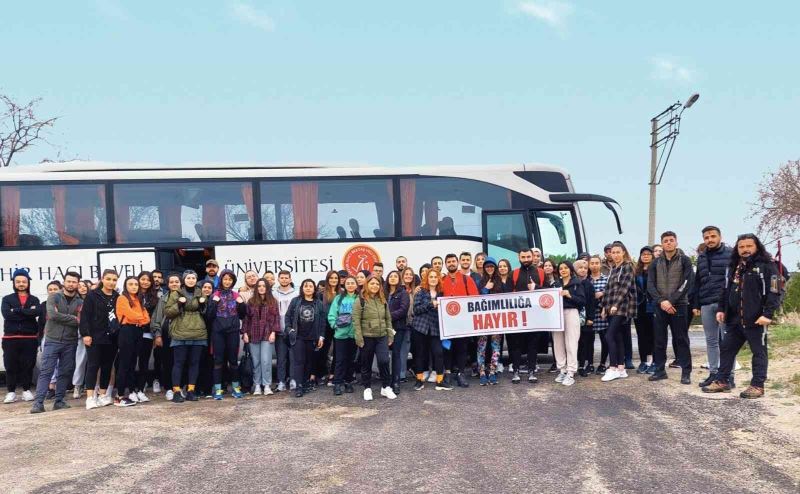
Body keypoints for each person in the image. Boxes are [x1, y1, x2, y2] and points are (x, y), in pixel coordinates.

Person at [702, 234, 780, 399]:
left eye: (748, 246)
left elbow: (774, 290)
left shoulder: (767, 266)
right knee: (726, 349)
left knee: (759, 352)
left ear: (756, 247)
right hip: (734, 319)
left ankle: (757, 385)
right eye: (741, 247)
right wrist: (721, 309)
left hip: (756, 320)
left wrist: (768, 314)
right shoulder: (733, 267)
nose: (745, 250)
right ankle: (722, 381)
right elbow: (725, 290)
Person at [31, 272, 84, 414]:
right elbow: (52, 315)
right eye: (69, 281)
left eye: (74, 282)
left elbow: (81, 320)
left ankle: (59, 401)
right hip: (52, 340)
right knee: (46, 372)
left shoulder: (80, 301)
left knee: (64, 373)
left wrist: (69, 318)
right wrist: (74, 318)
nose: (71, 284)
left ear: (77, 283)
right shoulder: (54, 297)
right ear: (64, 282)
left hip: (70, 341)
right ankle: (38, 403)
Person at [647, 231, 695, 384]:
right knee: (659, 340)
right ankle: (660, 370)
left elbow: (687, 283)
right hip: (660, 306)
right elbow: (650, 285)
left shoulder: (685, 260)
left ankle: (686, 372)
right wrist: (662, 301)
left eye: (671, 240)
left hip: (679, 306)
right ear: (662, 244)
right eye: (665, 241)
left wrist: (671, 301)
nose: (668, 243)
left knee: (681, 339)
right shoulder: (655, 263)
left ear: (676, 242)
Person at [691, 226, 735, 388]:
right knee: (711, 340)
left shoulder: (731, 254)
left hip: (725, 304)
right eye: (706, 237)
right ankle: (714, 373)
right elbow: (698, 282)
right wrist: (696, 304)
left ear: (720, 237)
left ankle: (729, 375)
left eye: (712, 236)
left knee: (728, 341)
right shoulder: (701, 257)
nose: (710, 240)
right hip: (706, 303)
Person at [164, 270, 208, 403]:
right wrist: (179, 304)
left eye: (193, 278)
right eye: (188, 278)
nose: (191, 280)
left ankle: (191, 391)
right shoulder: (175, 293)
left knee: (194, 363)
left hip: (198, 332)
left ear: (196, 279)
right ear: (184, 280)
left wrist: (202, 305)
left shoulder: (201, 293)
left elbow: (207, 312)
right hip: (180, 332)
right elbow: (168, 312)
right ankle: (176, 391)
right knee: (178, 363)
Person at [80, 269, 119, 409]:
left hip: (112, 337)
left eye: (114, 280)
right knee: (93, 365)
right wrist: (86, 334)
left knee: (107, 366)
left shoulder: (117, 297)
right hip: (95, 336)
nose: (111, 282)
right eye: (108, 279)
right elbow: (85, 316)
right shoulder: (92, 295)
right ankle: (90, 397)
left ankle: (103, 395)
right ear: (102, 279)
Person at [353, 276, 396, 401]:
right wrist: (359, 338)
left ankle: (386, 387)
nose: (375, 286)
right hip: (367, 337)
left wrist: (390, 334)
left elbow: (388, 318)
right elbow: (356, 320)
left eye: (377, 284)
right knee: (366, 363)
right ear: (367, 284)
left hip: (382, 336)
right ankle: (367, 388)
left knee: (384, 361)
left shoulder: (382, 299)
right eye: (372, 283)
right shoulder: (360, 300)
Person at [2, 268, 40, 404]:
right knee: (10, 365)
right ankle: (11, 392)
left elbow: (36, 313)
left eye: (24, 281)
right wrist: (26, 312)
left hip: (29, 338)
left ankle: (26, 390)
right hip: (10, 338)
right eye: (18, 282)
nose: (21, 284)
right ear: (14, 283)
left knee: (28, 365)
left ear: (28, 283)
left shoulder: (34, 299)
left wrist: (17, 311)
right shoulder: (7, 299)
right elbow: (7, 314)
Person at [441, 253, 479, 388]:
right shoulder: (442, 280)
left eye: (453, 261)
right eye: (448, 262)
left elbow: (475, 297)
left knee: (462, 348)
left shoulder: (466, 279)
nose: (451, 263)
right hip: (446, 323)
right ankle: (448, 373)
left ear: (457, 263)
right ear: (446, 264)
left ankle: (461, 374)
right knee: (447, 348)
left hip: (463, 322)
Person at [600, 242, 636, 382]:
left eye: (617, 252)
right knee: (618, 337)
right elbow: (608, 290)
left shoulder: (627, 267)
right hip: (610, 307)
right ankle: (621, 368)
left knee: (609, 335)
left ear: (623, 253)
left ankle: (613, 367)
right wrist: (604, 307)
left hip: (621, 307)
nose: (615, 255)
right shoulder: (613, 269)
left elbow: (624, 288)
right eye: (613, 252)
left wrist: (616, 304)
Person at [285, 279, 326, 398]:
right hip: (298, 337)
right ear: (302, 288)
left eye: (311, 286)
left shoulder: (318, 303)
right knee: (299, 361)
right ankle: (299, 386)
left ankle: (304, 382)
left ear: (314, 289)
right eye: (306, 286)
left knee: (309, 362)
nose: (308, 288)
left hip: (313, 337)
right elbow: (288, 317)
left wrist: (321, 337)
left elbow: (323, 322)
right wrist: (289, 330)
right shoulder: (296, 301)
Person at [114, 276, 151, 407]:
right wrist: (140, 318)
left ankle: (130, 392)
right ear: (125, 285)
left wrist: (139, 319)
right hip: (126, 331)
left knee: (132, 363)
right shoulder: (122, 298)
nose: (134, 286)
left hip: (138, 331)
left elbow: (147, 319)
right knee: (124, 363)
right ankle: (119, 396)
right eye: (131, 284)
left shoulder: (139, 299)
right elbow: (131, 315)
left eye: (136, 284)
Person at [511, 249, 546, 381]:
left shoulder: (541, 272)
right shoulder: (513, 273)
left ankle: (532, 371)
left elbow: (548, 292)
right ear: (518, 257)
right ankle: (516, 370)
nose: (526, 259)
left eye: (528, 257)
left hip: (535, 316)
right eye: (523, 257)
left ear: (533, 257)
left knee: (533, 344)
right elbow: (507, 294)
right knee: (516, 345)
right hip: (517, 316)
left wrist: (536, 288)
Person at [412, 269, 449, 391]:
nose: (433, 279)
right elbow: (416, 310)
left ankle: (440, 381)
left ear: (439, 279)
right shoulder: (420, 292)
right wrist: (431, 304)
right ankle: (419, 380)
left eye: (435, 277)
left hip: (435, 328)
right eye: (431, 276)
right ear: (427, 278)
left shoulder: (442, 293)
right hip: (420, 327)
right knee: (420, 354)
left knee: (438, 353)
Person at [241, 279, 280, 396]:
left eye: (264, 286)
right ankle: (257, 385)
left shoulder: (273, 301)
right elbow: (246, 319)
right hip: (253, 334)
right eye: (259, 286)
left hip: (267, 333)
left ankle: (267, 385)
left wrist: (274, 332)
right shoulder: (251, 302)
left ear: (267, 288)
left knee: (266, 360)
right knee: (256, 361)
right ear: (256, 288)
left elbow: (276, 318)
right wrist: (245, 333)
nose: (262, 288)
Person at [210, 269, 245, 400]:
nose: (227, 281)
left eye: (230, 279)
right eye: (225, 279)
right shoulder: (215, 294)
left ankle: (236, 387)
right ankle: (218, 389)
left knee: (233, 361)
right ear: (221, 280)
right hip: (218, 332)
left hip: (233, 331)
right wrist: (214, 302)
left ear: (233, 281)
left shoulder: (236, 295)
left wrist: (242, 304)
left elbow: (242, 315)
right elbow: (209, 315)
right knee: (218, 361)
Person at [553, 261, 586, 386]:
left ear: (570, 269)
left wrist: (569, 295)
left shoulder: (577, 283)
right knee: (558, 342)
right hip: (556, 314)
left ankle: (571, 371)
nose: (563, 270)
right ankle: (562, 369)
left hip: (571, 312)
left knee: (571, 342)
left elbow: (582, 302)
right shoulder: (556, 284)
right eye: (561, 268)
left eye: (565, 268)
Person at [329, 276, 359, 395]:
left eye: (353, 283)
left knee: (351, 360)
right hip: (340, 335)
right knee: (340, 360)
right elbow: (332, 314)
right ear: (344, 285)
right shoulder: (339, 298)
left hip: (354, 334)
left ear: (356, 285)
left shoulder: (360, 298)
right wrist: (334, 325)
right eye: (348, 283)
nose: (350, 285)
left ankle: (348, 382)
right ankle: (337, 383)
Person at [152, 273, 180, 400]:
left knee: (180, 362)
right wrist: (157, 335)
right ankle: (169, 388)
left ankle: (179, 388)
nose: (174, 284)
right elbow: (156, 319)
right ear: (168, 284)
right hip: (167, 334)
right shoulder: (163, 299)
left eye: (177, 281)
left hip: (183, 335)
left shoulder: (187, 297)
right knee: (168, 362)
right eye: (171, 282)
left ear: (181, 283)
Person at [476, 257, 503, 385]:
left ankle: (492, 372)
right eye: (487, 267)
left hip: (497, 320)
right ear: (484, 268)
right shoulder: (480, 281)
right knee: (481, 347)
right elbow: (475, 300)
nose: (490, 268)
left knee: (495, 347)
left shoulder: (500, 282)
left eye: (492, 266)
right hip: (482, 321)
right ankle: (482, 372)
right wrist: (486, 289)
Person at [134, 271, 158, 399]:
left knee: (144, 363)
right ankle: (132, 389)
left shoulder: (154, 298)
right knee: (131, 362)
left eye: (148, 280)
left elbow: (155, 318)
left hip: (147, 333)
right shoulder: (131, 295)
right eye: (143, 279)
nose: (145, 282)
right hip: (132, 332)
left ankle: (141, 389)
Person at [314, 270, 340, 388]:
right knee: (322, 351)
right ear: (327, 279)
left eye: (336, 278)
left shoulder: (342, 293)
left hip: (339, 326)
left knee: (337, 352)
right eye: (331, 278)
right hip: (325, 326)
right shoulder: (321, 294)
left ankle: (333, 375)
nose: (334, 280)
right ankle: (321, 374)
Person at [274, 270, 297, 391]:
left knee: (293, 357)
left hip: (292, 331)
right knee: (281, 358)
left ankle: (293, 380)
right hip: (279, 331)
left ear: (290, 279)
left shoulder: (296, 293)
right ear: (278, 279)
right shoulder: (274, 294)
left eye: (286, 278)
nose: (284, 280)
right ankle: (281, 382)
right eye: (282, 278)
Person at [386, 271, 409, 395]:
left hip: (398, 328)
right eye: (391, 276)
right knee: (384, 355)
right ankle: (386, 380)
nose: (393, 278)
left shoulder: (403, 293)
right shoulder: (383, 293)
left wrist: (387, 316)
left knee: (396, 354)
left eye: (395, 276)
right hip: (383, 328)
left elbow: (403, 310)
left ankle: (396, 381)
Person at [634, 247, 656, 374]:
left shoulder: (656, 270)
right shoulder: (636, 271)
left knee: (653, 335)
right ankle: (644, 361)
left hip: (652, 306)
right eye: (643, 254)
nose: (646, 256)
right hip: (639, 307)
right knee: (641, 335)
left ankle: (654, 361)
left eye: (648, 254)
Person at [587, 256, 609, 374]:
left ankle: (602, 364)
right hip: (590, 314)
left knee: (604, 340)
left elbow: (611, 294)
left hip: (602, 313)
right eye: (592, 263)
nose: (594, 265)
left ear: (600, 265)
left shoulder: (606, 279)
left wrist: (603, 293)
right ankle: (590, 363)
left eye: (596, 263)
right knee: (589, 341)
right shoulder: (586, 279)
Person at [574, 260, 596, 378]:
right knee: (576, 342)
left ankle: (584, 365)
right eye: (580, 267)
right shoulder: (573, 283)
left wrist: (591, 318)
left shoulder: (589, 284)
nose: (583, 270)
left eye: (585, 268)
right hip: (574, 317)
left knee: (585, 342)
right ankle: (576, 364)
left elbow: (592, 303)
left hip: (586, 318)